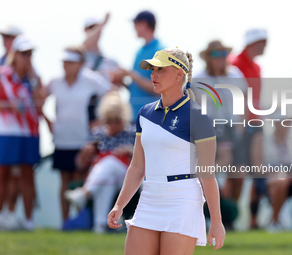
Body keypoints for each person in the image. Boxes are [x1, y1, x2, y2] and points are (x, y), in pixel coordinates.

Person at [107, 48, 225, 254]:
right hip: (150, 197)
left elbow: (207, 174)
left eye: (160, 69)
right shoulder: (144, 113)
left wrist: (216, 221)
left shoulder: (199, 117)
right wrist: (119, 205)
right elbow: (137, 166)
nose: (153, 74)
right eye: (152, 69)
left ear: (179, 74)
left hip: (182, 200)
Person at [43, 46, 112, 224]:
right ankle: (65, 222)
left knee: (81, 180)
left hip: (84, 139)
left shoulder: (92, 79)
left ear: (80, 63)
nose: (66, 65)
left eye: (71, 62)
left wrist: (101, 120)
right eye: (64, 62)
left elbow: (112, 94)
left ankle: (80, 221)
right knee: (64, 181)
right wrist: (47, 122)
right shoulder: (55, 81)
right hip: (61, 139)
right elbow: (38, 98)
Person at [64, 92, 135, 233]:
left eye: (117, 120)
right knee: (107, 180)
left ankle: (84, 193)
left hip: (127, 177)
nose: (113, 125)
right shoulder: (97, 133)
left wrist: (129, 151)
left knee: (109, 161)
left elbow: (144, 161)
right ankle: (100, 224)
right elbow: (80, 164)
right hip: (103, 177)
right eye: (109, 120)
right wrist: (85, 152)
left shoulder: (132, 133)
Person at [195, 40, 247, 203]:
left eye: (223, 53)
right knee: (221, 160)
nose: (219, 58)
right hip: (207, 128)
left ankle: (229, 208)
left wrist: (241, 126)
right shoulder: (198, 79)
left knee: (239, 173)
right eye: (215, 54)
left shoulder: (236, 76)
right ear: (208, 58)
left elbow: (244, 101)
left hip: (232, 128)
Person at [0, 35, 42, 230]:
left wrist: (33, 80)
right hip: (7, 132)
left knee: (27, 176)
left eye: (30, 54)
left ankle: (28, 221)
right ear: (14, 54)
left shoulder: (34, 78)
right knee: (3, 175)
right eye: (24, 53)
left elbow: (40, 103)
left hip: (30, 133)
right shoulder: (2, 75)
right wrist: (9, 105)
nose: (27, 57)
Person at [232, 28, 268, 229]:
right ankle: (229, 216)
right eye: (262, 41)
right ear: (252, 43)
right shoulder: (234, 64)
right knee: (236, 172)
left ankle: (253, 220)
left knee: (257, 173)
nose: (265, 45)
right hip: (239, 126)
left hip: (256, 124)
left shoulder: (257, 67)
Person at [112, 11, 164, 121]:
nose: (134, 27)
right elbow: (138, 87)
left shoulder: (160, 52)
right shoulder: (139, 51)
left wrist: (130, 74)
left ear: (144, 24)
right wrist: (122, 81)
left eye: (135, 23)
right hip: (134, 117)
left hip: (152, 119)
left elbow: (159, 89)